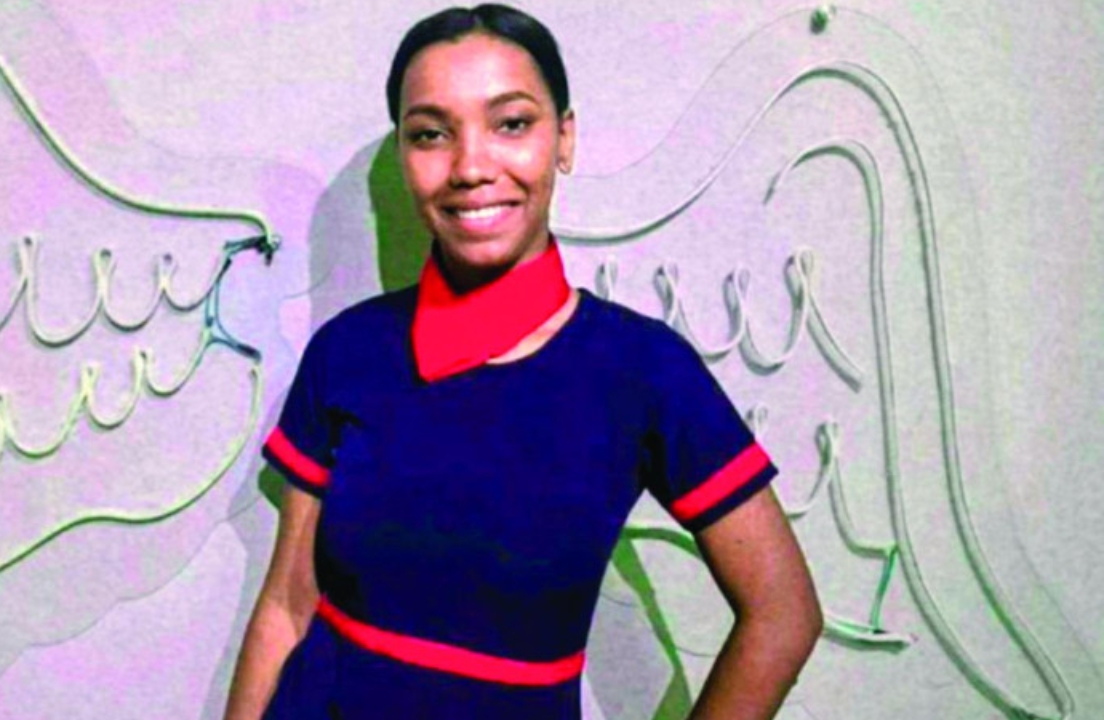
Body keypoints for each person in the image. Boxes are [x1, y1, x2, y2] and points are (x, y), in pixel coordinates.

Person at [223, 5, 821, 719]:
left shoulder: (644, 371)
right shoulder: (348, 349)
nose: (472, 167)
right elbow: (287, 606)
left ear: (563, 138)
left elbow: (783, 614)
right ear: (405, 155)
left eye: (511, 123)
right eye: (431, 134)